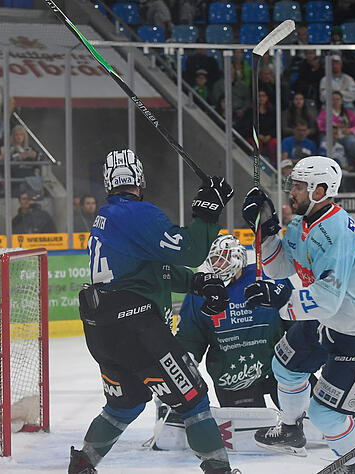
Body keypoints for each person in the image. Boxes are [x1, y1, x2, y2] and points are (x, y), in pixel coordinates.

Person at [69, 149, 236, 474]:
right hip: (137, 328)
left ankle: (82, 467)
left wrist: (198, 283)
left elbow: (151, 272)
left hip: (101, 329)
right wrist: (207, 213)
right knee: (194, 399)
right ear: (140, 181)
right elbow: (190, 249)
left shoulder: (106, 219)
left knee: (124, 404)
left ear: (108, 184)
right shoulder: (137, 214)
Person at [240, 156, 355, 470]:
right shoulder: (302, 221)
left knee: (327, 415)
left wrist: (283, 295)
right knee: (285, 365)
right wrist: (267, 233)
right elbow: (282, 266)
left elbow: (327, 298)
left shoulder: (337, 232)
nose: (291, 192)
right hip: (330, 317)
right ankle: (290, 430)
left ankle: (353, 466)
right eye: (292, 185)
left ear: (321, 190)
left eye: (299, 186)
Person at [177, 234, 289, 408]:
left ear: (237, 258)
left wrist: (306, 349)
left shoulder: (268, 276)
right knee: (250, 433)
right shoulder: (200, 292)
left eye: (221, 259)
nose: (216, 265)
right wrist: (185, 363)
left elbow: (293, 318)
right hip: (234, 376)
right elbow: (191, 337)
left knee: (302, 420)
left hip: (280, 368)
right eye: (213, 260)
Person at [318, 91, 355, 166]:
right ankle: (324, 166)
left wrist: (350, 130)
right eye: (333, 99)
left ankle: (353, 165)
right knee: (325, 141)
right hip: (330, 136)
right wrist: (334, 131)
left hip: (345, 135)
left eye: (337, 99)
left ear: (341, 101)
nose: (335, 101)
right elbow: (321, 125)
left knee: (352, 142)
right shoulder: (324, 113)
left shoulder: (349, 113)